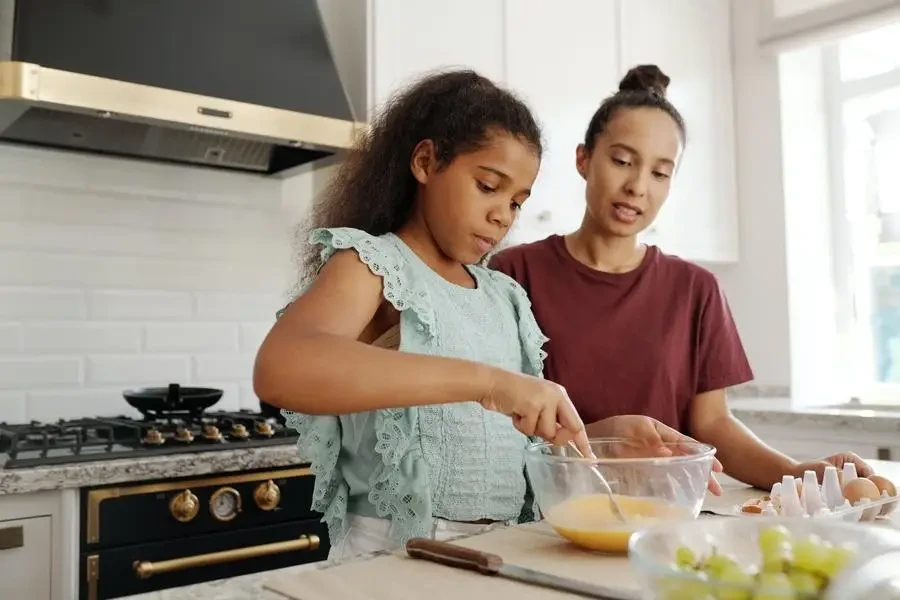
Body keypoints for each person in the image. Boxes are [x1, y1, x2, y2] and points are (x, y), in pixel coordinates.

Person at [253, 70, 708, 560]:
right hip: (394, 559)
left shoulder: (503, 295)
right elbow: (282, 367)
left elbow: (494, 441)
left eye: (516, 201)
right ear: (426, 162)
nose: (503, 215)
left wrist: (606, 439)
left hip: (496, 553)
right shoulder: (373, 265)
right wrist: (490, 383)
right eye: (488, 186)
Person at [489, 64, 874, 491]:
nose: (637, 186)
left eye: (660, 172)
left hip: (667, 510)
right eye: (622, 161)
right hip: (547, 513)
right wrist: (606, 440)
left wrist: (798, 473)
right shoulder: (513, 273)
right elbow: (488, 425)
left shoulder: (696, 289)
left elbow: (712, 425)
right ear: (583, 159)